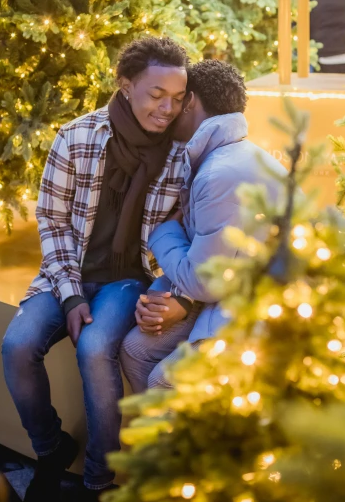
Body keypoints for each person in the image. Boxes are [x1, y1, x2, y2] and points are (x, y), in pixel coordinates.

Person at [1, 36, 194, 502]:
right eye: (156, 94)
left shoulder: (181, 155)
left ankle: (98, 479)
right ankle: (51, 448)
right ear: (125, 86)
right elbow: (52, 220)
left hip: (129, 278)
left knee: (94, 348)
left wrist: (177, 296)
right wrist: (69, 294)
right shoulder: (76, 137)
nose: (168, 109)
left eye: (177, 98)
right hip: (66, 271)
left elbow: (183, 236)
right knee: (17, 346)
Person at [120, 60, 286, 392]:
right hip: (229, 291)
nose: (169, 111)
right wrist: (174, 300)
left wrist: (162, 232)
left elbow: (205, 281)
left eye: (178, 100)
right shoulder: (222, 157)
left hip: (258, 306)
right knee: (134, 350)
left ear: (192, 101)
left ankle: (177, 438)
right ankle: (162, 439)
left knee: (163, 381)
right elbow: (213, 258)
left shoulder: (219, 173)